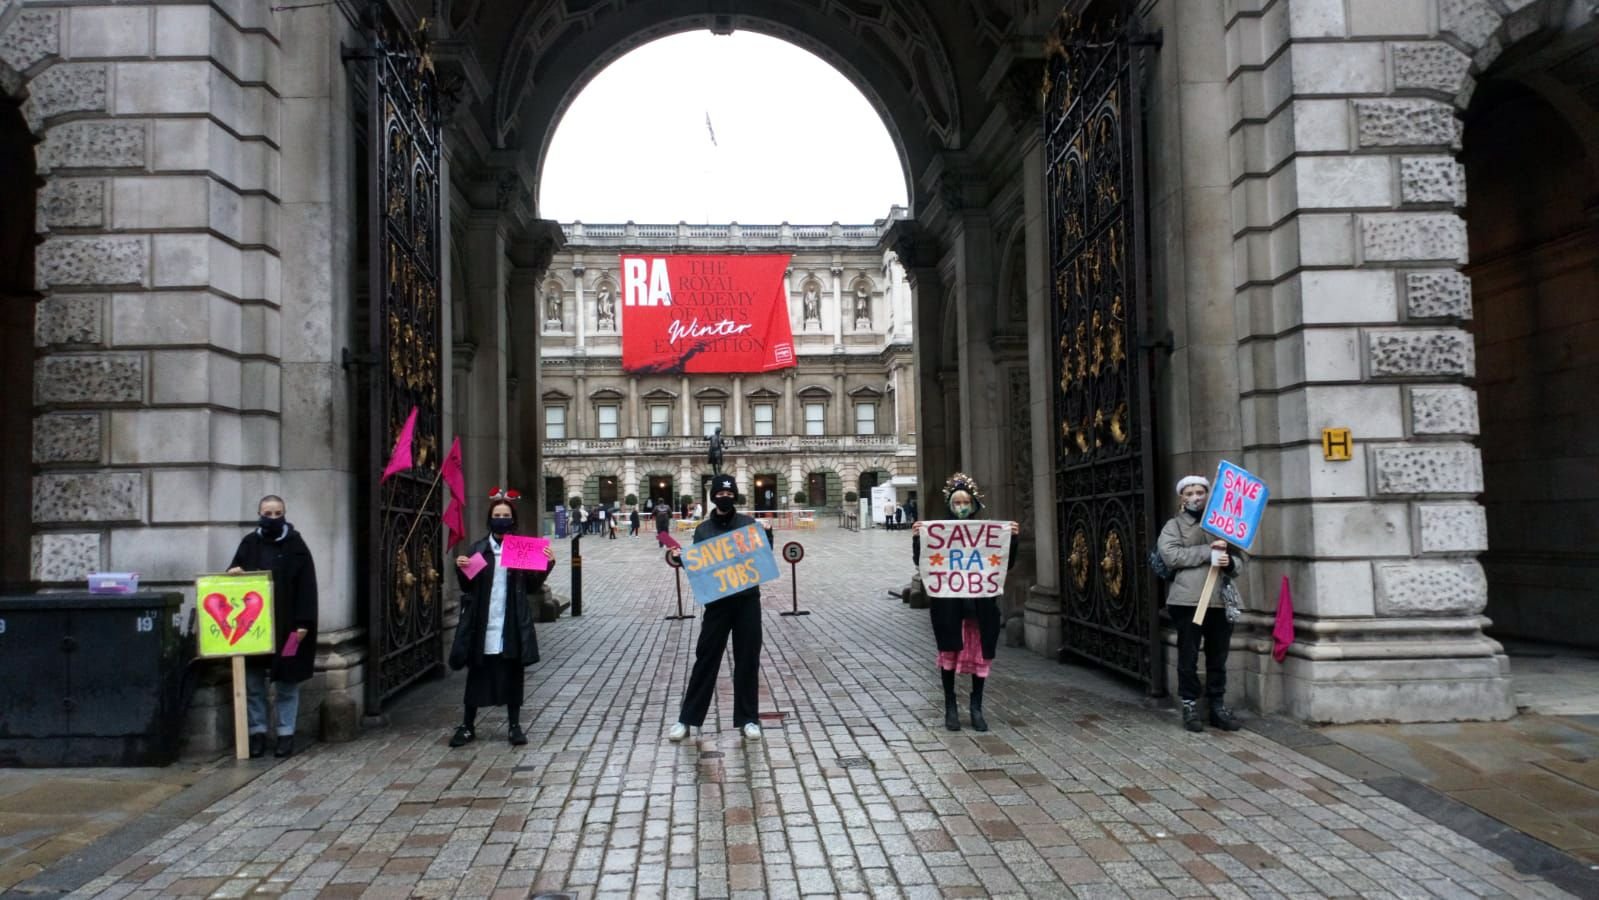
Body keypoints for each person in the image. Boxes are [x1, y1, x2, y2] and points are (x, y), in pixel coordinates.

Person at [666, 474, 773, 743]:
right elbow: (700, 566)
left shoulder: (749, 525)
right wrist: (682, 560)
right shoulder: (703, 530)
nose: (724, 497)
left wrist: (768, 534)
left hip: (747, 601)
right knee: (706, 659)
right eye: (719, 493)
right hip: (717, 605)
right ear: (713, 497)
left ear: (734, 496)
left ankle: (748, 719)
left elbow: (764, 557)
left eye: (728, 493)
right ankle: (687, 719)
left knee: (748, 660)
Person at [911, 474, 1019, 733]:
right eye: (956, 502)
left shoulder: (985, 532)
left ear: (973, 504)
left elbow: (1005, 563)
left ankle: (976, 707)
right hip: (950, 606)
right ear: (950, 504)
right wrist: (918, 538)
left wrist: (1012, 539)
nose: (961, 506)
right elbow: (922, 561)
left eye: (965, 501)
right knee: (949, 653)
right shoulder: (942, 531)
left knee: (980, 655)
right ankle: (950, 706)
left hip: (979, 606)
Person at [449, 489, 555, 747]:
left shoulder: (521, 549)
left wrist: (547, 565)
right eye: (497, 515)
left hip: (510, 621)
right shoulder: (479, 549)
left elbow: (531, 587)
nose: (501, 519)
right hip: (483, 622)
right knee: (477, 675)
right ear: (490, 519)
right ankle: (467, 724)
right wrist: (460, 567)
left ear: (512, 519)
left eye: (506, 515)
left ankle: (514, 726)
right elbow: (467, 586)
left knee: (512, 675)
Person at [226, 494, 319, 758]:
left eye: (278, 513)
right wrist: (234, 573)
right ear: (259, 514)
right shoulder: (249, 544)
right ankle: (257, 732)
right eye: (268, 513)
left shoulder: (297, 546)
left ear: (285, 514)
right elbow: (230, 584)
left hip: (290, 629)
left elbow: (307, 587)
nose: (273, 518)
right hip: (252, 630)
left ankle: (285, 734)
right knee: (254, 682)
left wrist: (303, 623)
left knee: (288, 681)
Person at [1159, 475, 1245, 733]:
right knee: (1188, 654)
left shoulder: (1223, 524)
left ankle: (1217, 705)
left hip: (1219, 600)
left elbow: (1240, 559)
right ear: (1182, 498)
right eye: (1190, 493)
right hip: (1187, 601)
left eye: (1200, 492)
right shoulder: (1174, 526)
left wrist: (1229, 562)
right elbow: (1171, 555)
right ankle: (1189, 704)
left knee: (1218, 655)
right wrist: (1209, 552)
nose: (1196, 497)